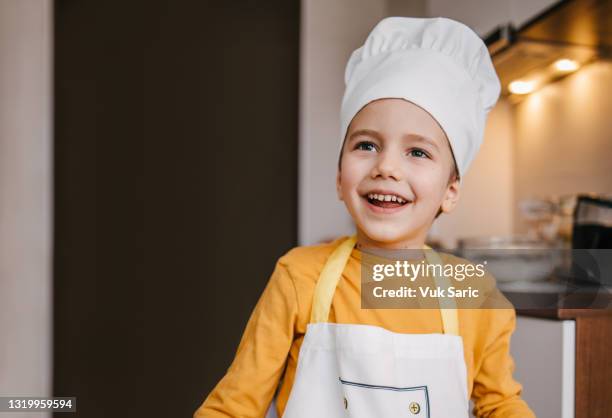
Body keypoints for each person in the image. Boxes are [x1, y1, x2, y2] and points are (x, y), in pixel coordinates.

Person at [194, 16, 536, 418]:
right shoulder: (298, 278)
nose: (386, 167)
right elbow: (233, 407)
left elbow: (500, 404)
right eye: (367, 145)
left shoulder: (476, 297)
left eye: (418, 152)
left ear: (450, 191)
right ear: (340, 178)